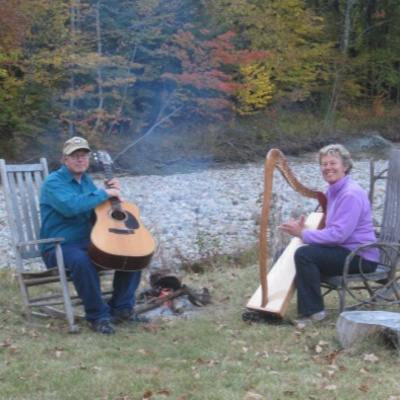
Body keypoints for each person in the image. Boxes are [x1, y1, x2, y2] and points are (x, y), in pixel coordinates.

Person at [40, 136, 148, 334]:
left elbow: (96, 212)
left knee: (132, 253)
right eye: (75, 156)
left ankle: (122, 308)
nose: (80, 159)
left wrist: (113, 197)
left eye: (84, 155)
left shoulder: (86, 182)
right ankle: (98, 316)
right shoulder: (53, 182)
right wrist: (104, 193)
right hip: (58, 246)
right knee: (83, 261)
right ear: (65, 160)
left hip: (89, 243)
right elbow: (71, 206)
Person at [279, 144, 379, 326]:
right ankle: (273, 307)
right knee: (282, 253)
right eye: (324, 164)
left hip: (361, 256)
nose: (328, 168)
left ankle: (315, 314)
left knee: (304, 255)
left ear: (345, 166)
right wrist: (305, 229)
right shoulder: (334, 190)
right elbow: (333, 230)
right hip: (343, 250)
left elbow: (338, 235)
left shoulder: (350, 194)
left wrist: (303, 234)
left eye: (333, 163)